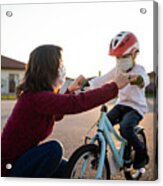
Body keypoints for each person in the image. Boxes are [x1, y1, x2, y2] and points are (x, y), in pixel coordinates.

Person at [1, 44, 131, 177]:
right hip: (10, 168)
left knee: (65, 168)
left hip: (22, 160)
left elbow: (56, 112)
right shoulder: (36, 98)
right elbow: (75, 104)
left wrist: (70, 90)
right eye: (60, 64)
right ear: (49, 69)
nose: (62, 69)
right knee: (54, 150)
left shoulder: (38, 96)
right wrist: (114, 86)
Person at [89, 31, 150, 169]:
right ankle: (100, 156)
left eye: (124, 56)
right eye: (118, 57)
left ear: (134, 54)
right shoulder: (117, 70)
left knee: (125, 128)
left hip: (136, 108)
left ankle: (141, 152)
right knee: (103, 126)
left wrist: (138, 80)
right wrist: (89, 84)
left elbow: (144, 80)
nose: (120, 60)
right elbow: (102, 79)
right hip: (121, 105)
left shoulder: (139, 69)